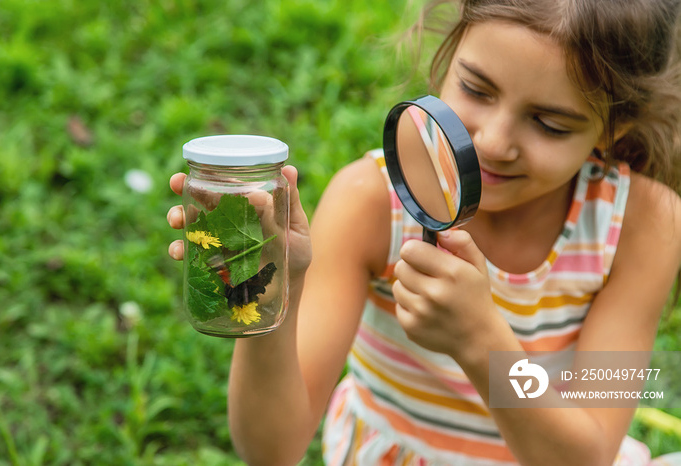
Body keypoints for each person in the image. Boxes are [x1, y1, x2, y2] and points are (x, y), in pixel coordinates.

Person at [167, 0, 681, 464]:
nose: (494, 142)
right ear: (449, 55)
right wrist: (271, 295)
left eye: (550, 124)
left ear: (616, 127)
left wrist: (483, 344)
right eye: (476, 89)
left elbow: (585, 457)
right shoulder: (371, 203)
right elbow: (272, 448)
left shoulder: (643, 224)